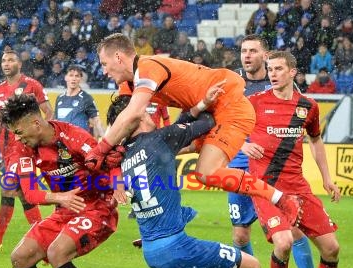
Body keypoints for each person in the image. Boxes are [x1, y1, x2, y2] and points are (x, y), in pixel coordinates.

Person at [107, 92, 289, 268]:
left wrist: (197, 108)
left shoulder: (128, 156)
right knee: (251, 267)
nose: (150, 112)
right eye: (145, 109)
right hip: (174, 246)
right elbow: (204, 123)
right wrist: (208, 103)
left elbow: (180, 128)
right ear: (136, 116)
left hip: (153, 248)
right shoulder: (159, 140)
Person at [89, 33, 302, 228]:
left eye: (104, 64)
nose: (104, 71)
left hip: (228, 104)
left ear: (118, 57)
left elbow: (133, 114)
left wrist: (100, 150)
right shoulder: (128, 84)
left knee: (205, 173)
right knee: (152, 156)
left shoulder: (147, 67)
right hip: (205, 113)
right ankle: (169, 223)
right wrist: (113, 165)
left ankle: (282, 199)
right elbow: (120, 124)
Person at [0, 93, 119, 268]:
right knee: (20, 257)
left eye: (19, 131)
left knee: (57, 252)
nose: (17, 138)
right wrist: (59, 197)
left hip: (97, 208)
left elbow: (108, 165)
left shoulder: (75, 138)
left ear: (36, 123)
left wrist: (117, 186)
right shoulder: (23, 148)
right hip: (65, 209)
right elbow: (30, 192)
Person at [247, 51, 352, 268]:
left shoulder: (308, 107)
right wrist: (242, 147)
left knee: (331, 248)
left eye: (279, 69)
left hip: (298, 188)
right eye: (270, 69)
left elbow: (316, 141)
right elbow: (226, 129)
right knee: (283, 243)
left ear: (293, 72)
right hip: (265, 188)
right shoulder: (254, 103)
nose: (273, 73)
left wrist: (327, 179)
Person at [228, 35, 318, 268]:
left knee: (292, 230)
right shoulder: (234, 85)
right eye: (243, 51)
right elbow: (224, 122)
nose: (247, 56)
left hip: (272, 169)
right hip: (239, 168)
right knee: (241, 235)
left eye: (253, 51)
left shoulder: (278, 85)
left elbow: (299, 120)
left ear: (265, 55)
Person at [0, 50, 53, 253]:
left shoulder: (32, 85)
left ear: (19, 63)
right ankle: (43, 238)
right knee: (24, 194)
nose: (6, 63)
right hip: (7, 149)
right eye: (3, 60)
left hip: (24, 148)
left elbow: (48, 112)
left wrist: (40, 136)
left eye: (11, 60)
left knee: (8, 187)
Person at [54, 65, 105, 138]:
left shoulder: (86, 98)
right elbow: (56, 121)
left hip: (80, 142)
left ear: (80, 79)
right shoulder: (59, 98)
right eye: (71, 75)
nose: (73, 79)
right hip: (63, 143)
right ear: (66, 77)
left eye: (77, 76)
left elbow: (96, 120)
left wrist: (106, 141)